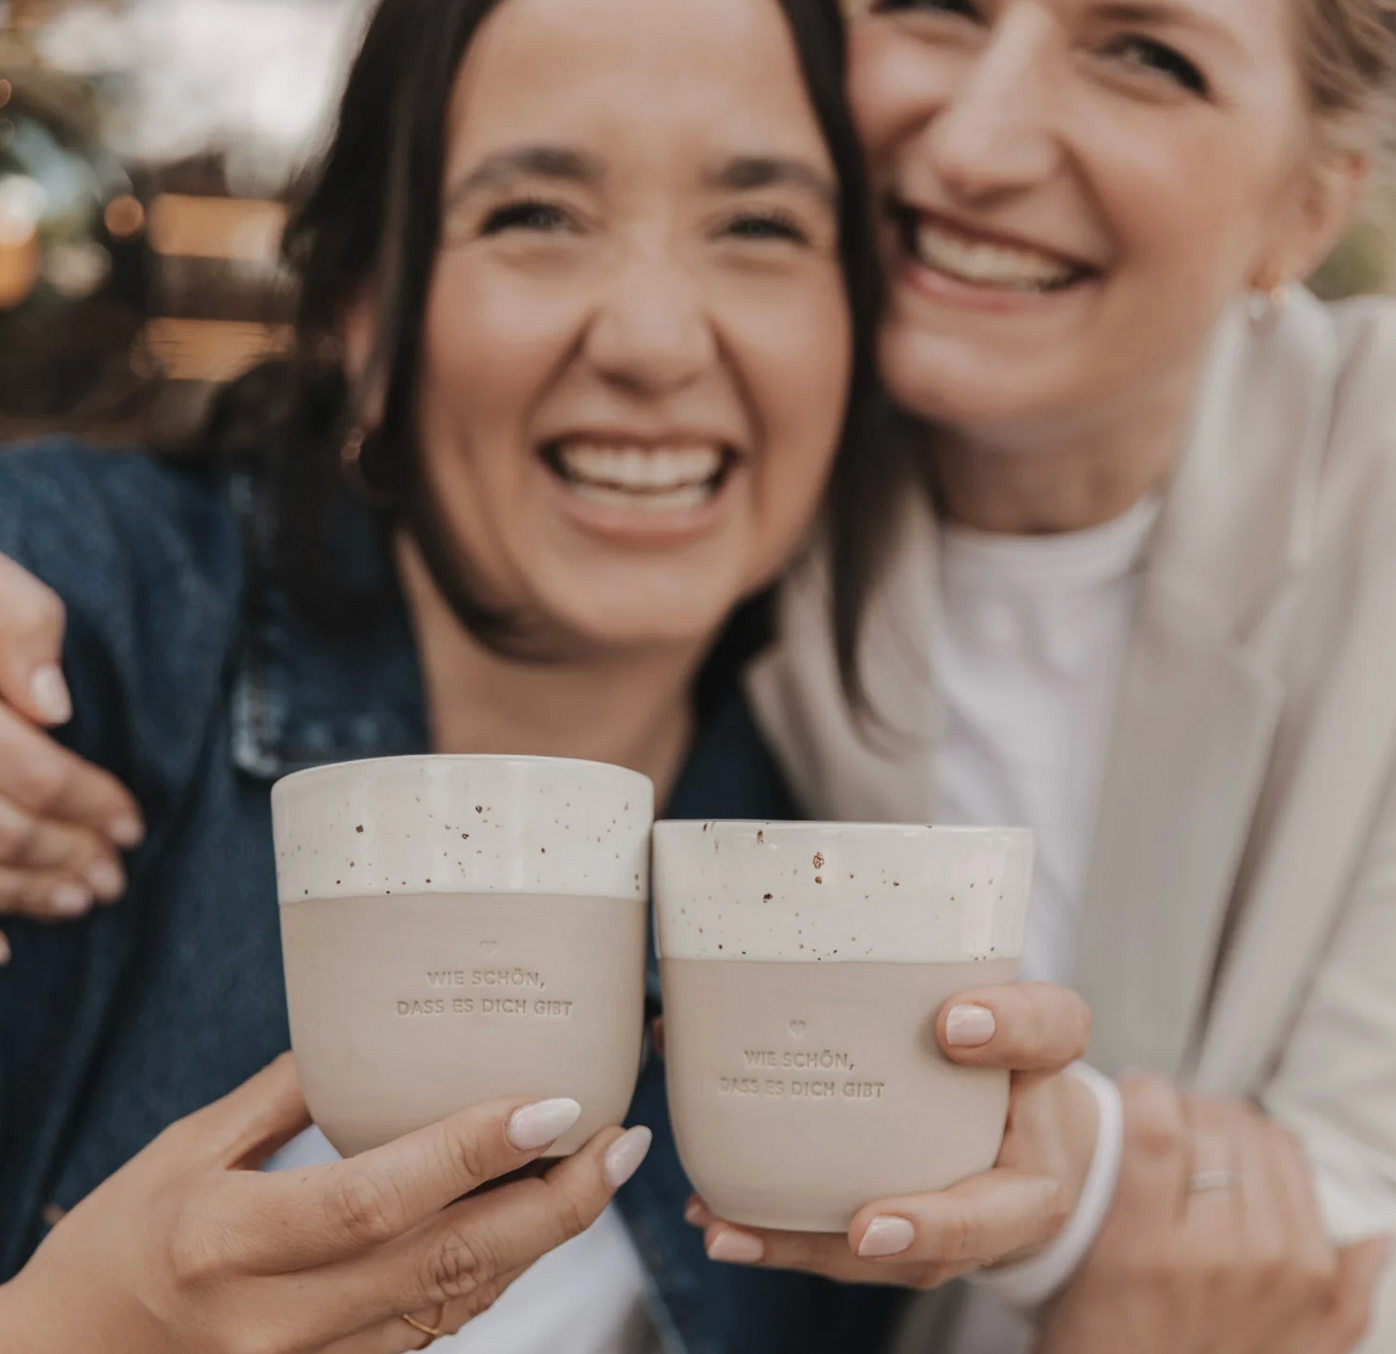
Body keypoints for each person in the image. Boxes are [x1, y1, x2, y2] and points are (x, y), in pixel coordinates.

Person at [0, 0, 1102, 1350]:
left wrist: (1065, 1186)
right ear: (360, 312)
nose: (651, 341)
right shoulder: (70, 650)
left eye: (758, 226)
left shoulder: (834, 854)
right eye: (536, 216)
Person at [696, 0, 1396, 1348]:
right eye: (936, 6)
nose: (974, 145)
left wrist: (1084, 1202)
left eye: (1148, 55)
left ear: (1304, 215)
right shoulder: (688, 457)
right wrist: (154, 677)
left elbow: (1347, 1254)